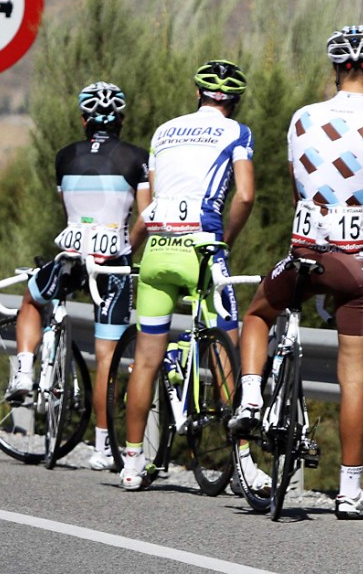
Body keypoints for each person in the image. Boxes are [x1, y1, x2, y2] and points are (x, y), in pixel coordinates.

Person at [229, 25, 363, 520]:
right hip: (357, 262)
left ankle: (248, 398)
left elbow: (297, 191)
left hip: (304, 252)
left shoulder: (302, 119)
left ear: (335, 72)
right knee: (354, 380)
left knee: (258, 315)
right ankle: (350, 493)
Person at [119, 60, 256, 490]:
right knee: (227, 349)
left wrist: (130, 248)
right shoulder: (238, 133)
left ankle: (132, 462)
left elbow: (155, 200)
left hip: (159, 248)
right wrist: (225, 238)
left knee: (145, 360)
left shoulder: (163, 131)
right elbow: (246, 196)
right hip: (202, 249)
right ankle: (245, 464)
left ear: (197, 94)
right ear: (232, 102)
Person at [4, 81, 150, 470]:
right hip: (112, 262)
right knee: (106, 358)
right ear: (120, 120)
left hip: (71, 256)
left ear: (84, 121)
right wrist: (125, 247)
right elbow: (146, 217)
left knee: (32, 299)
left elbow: (66, 204)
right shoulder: (137, 158)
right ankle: (103, 449)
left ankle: (23, 369)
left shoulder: (64, 156)